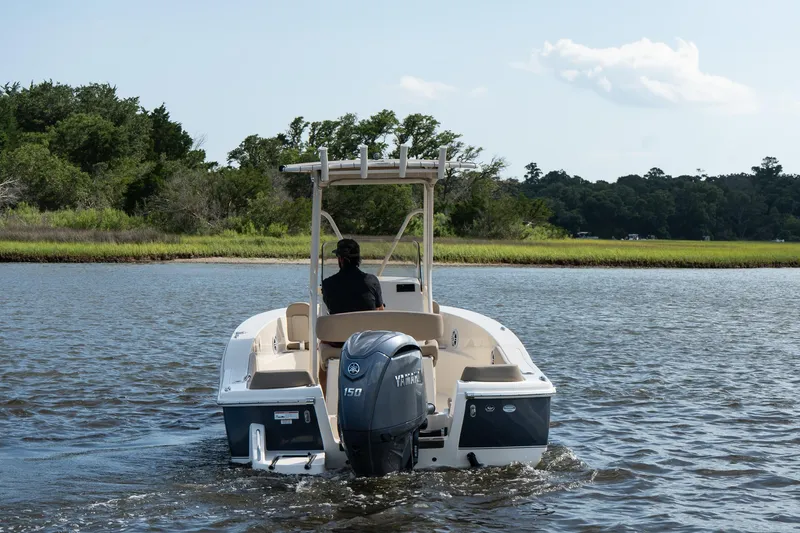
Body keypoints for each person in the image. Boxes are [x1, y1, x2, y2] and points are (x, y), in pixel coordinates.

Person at [321, 238, 384, 315]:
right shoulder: (372, 281)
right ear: (358, 259)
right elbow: (380, 310)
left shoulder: (327, 284)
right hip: (367, 326)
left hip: (340, 326)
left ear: (340, 259)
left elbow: (330, 308)